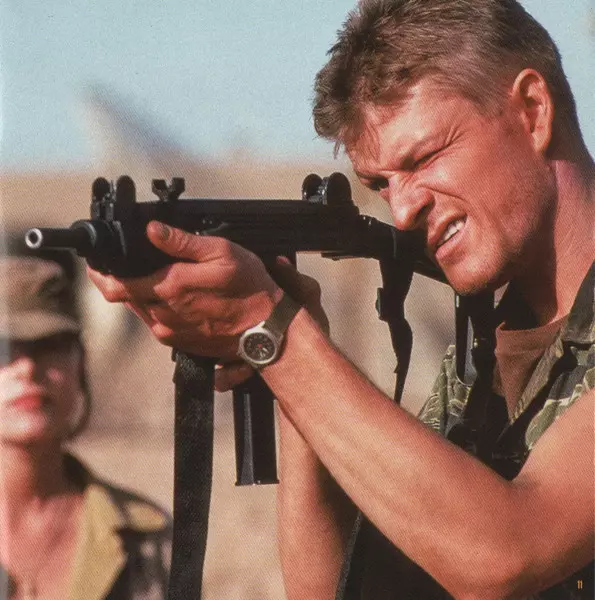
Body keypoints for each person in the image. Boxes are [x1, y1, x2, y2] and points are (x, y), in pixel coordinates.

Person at [88, 0, 594, 598]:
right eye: (381, 184)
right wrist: (291, 354)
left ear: (533, 110)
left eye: (423, 158)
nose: (402, 211)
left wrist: (274, 333)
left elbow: (505, 551)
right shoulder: (486, 353)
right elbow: (332, 590)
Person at [0, 244, 171, 600]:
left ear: (79, 363)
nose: (27, 368)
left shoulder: (146, 539)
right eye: (4, 349)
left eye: (50, 345)